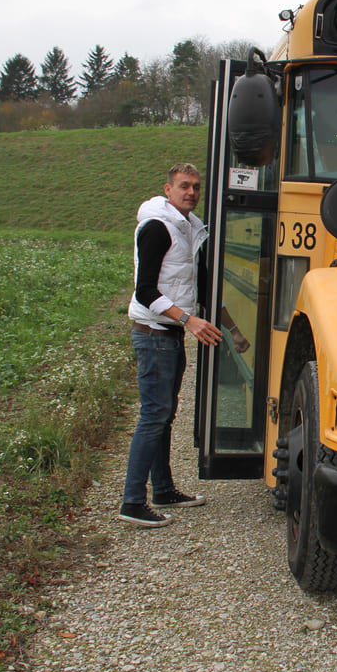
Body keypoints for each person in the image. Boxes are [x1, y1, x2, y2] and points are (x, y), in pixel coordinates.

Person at [119, 162, 250, 528]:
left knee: (163, 416)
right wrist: (187, 319)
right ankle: (132, 502)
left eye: (195, 187)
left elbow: (204, 290)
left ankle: (162, 490)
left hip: (169, 335)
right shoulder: (158, 229)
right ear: (168, 189)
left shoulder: (190, 230)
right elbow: (145, 291)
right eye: (183, 187)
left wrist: (234, 331)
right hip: (153, 335)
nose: (191, 192)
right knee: (153, 416)